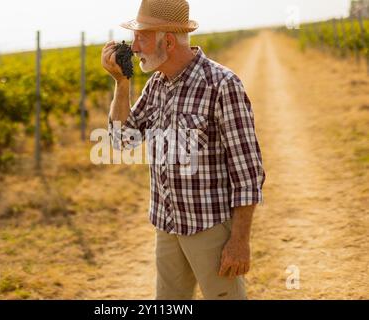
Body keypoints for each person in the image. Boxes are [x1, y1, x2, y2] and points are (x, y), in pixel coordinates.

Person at [101, 0, 266, 300]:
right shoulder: (156, 86)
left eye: (141, 37)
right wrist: (121, 84)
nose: (134, 47)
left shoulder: (221, 85)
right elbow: (120, 141)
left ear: (167, 41)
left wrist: (240, 241)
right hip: (167, 225)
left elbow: (248, 173)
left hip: (209, 226)